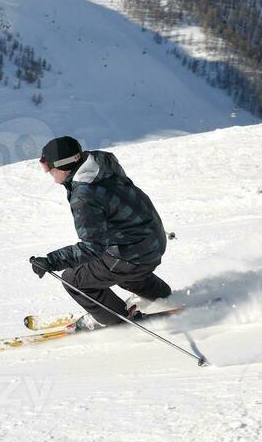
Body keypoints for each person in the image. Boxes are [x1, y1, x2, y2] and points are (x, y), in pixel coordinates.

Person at [28, 136, 174, 330]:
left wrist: (51, 261)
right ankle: (163, 297)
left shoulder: (84, 194)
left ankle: (120, 320)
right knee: (120, 269)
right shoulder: (101, 164)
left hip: (133, 253)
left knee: (74, 280)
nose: (48, 173)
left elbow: (92, 248)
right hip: (153, 239)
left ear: (62, 166)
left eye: (48, 167)